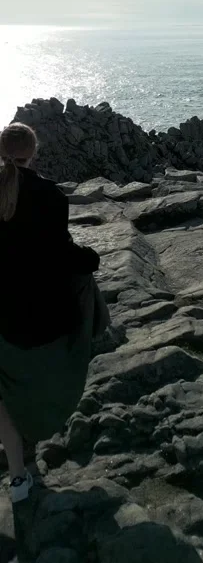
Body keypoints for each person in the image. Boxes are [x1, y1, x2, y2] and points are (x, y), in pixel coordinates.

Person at [0, 122, 101, 503]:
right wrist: (91, 258)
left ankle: (17, 476)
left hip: (3, 317)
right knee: (85, 280)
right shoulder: (51, 196)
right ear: (35, 151)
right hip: (43, 317)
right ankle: (92, 337)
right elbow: (63, 255)